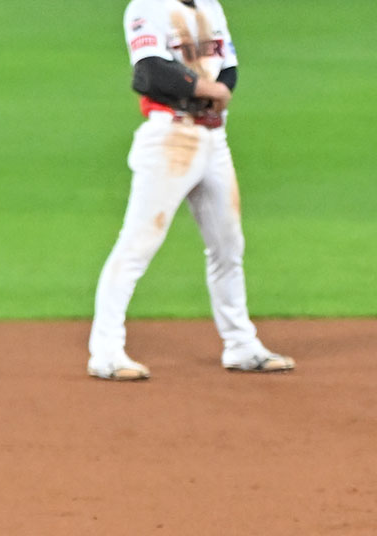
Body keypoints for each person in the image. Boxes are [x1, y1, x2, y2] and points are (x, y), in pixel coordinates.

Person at [87, 0, 294, 380]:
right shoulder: (146, 7)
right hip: (170, 138)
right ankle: (106, 352)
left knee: (228, 246)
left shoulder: (210, 6)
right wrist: (206, 89)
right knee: (137, 245)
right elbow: (150, 72)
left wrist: (219, 92)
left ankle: (241, 345)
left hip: (214, 140)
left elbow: (227, 65)